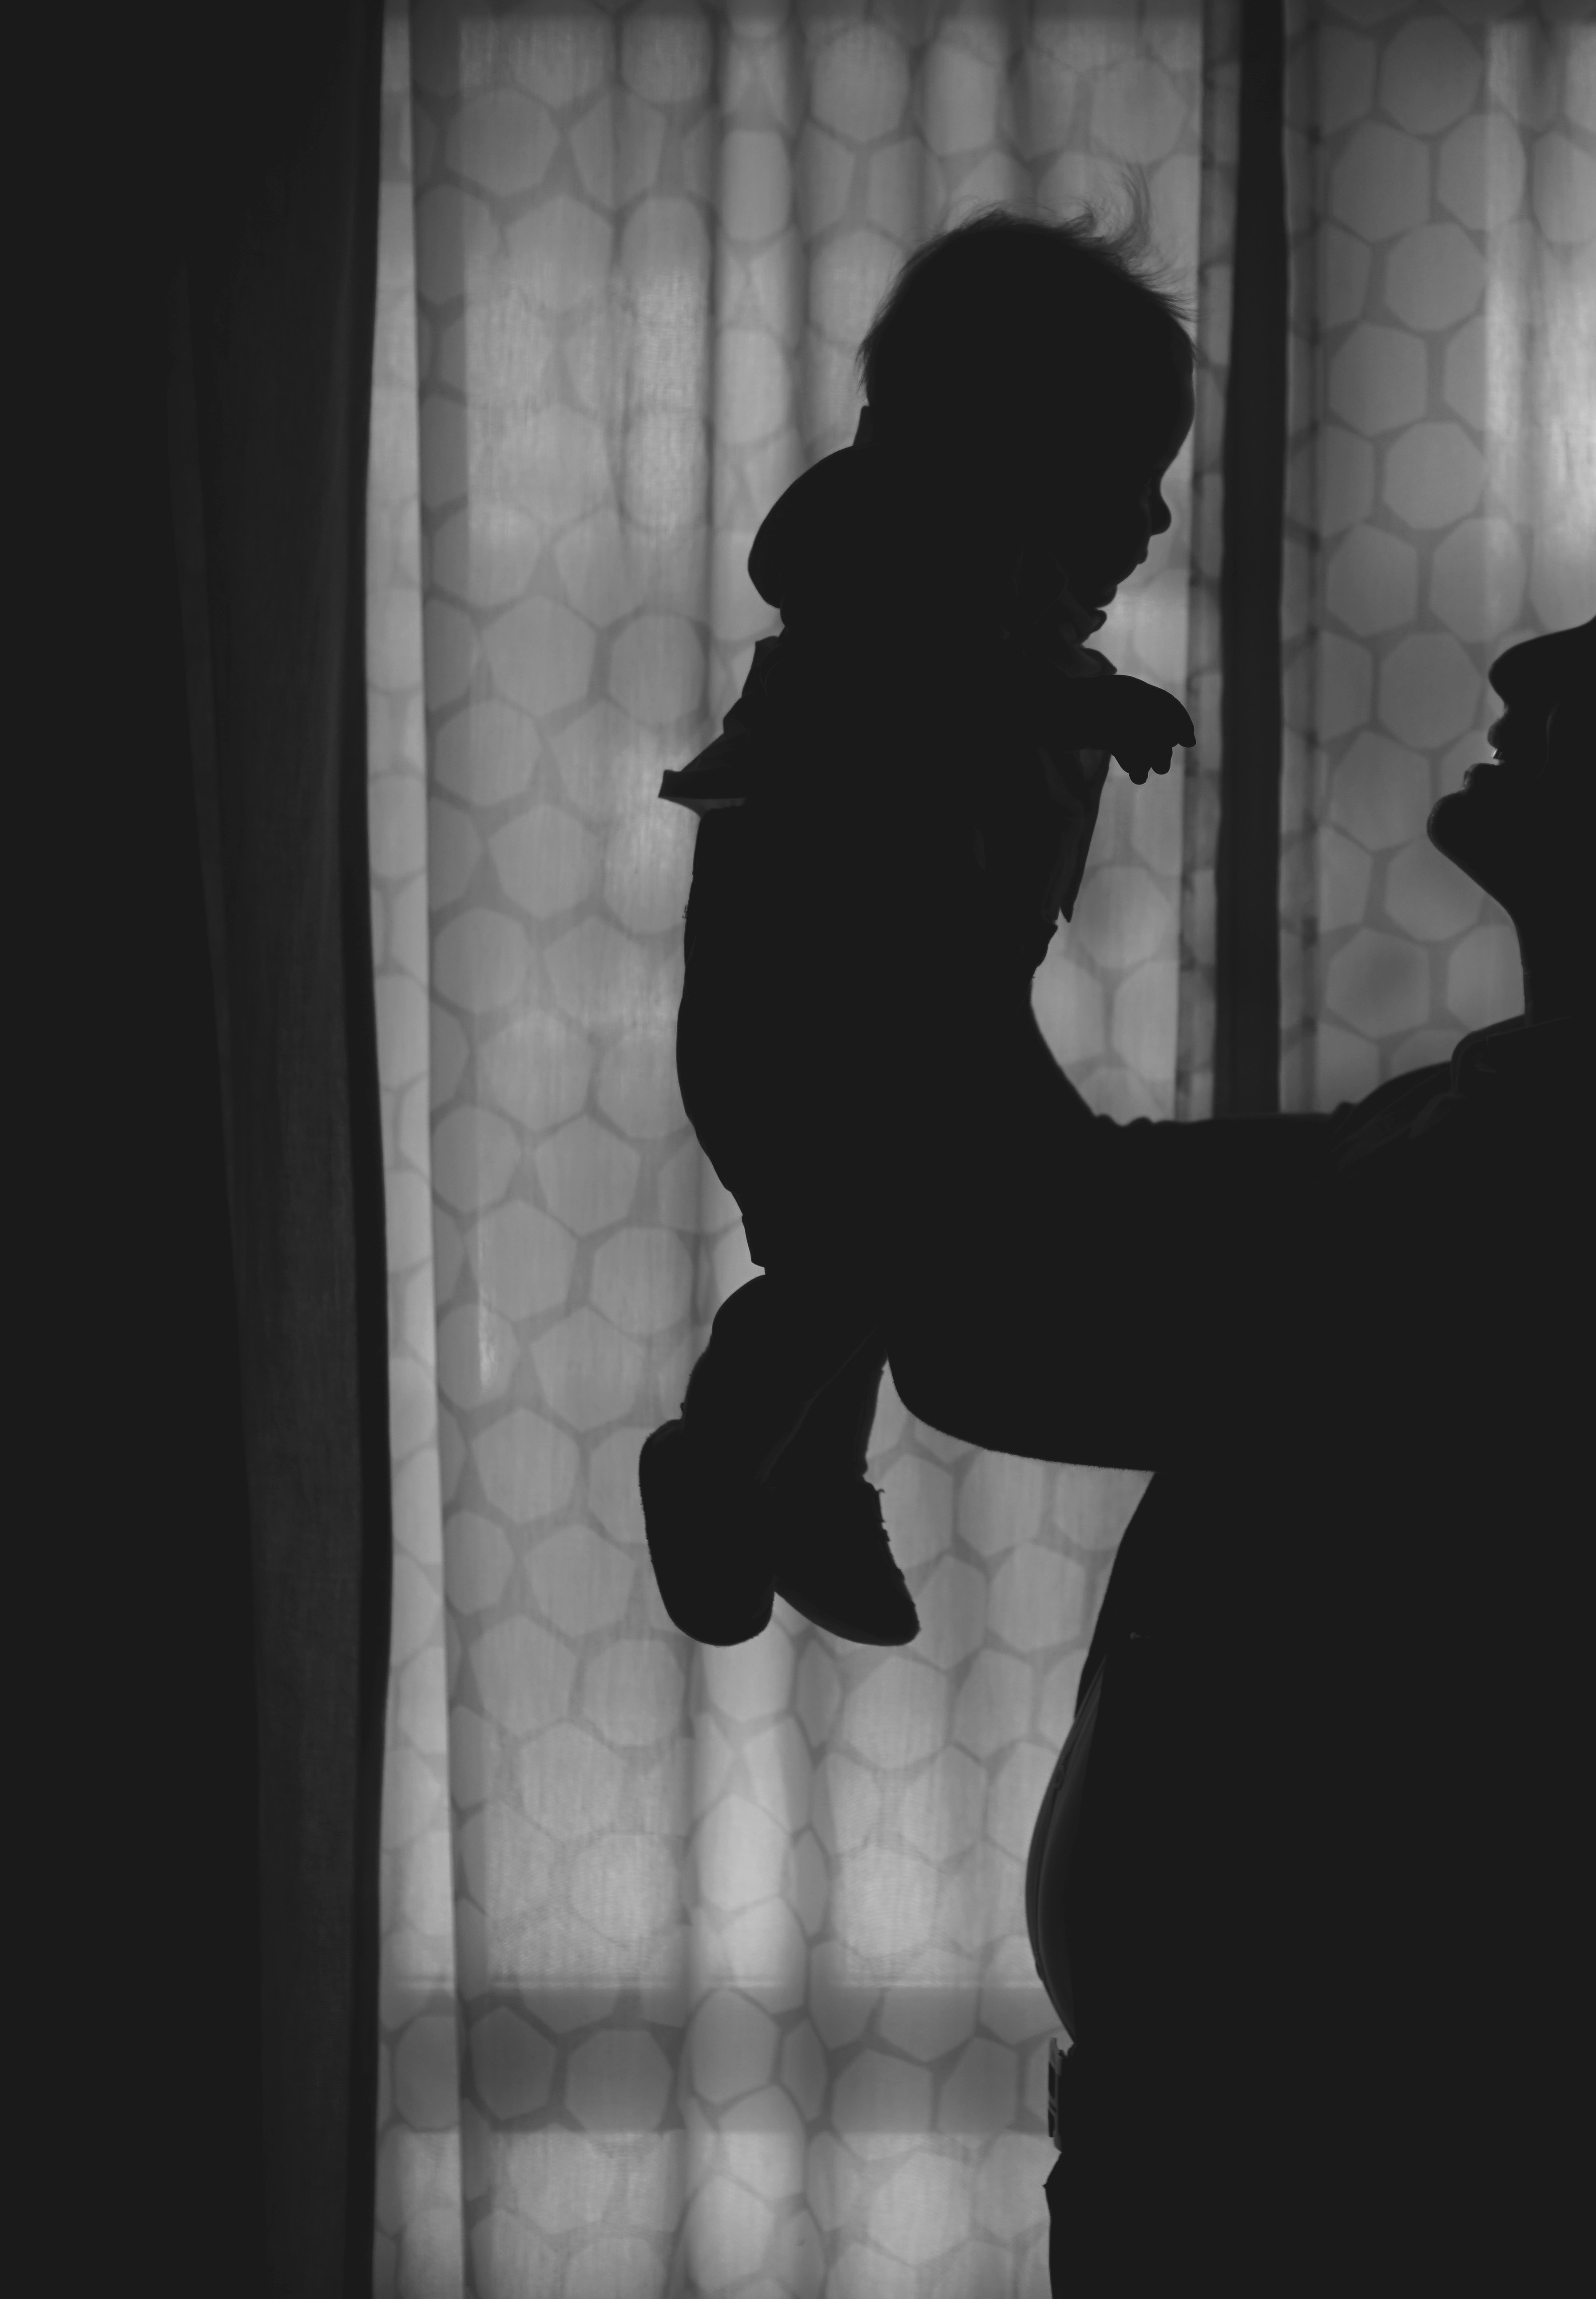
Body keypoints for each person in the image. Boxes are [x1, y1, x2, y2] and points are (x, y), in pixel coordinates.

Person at [877, 496, 1596, 2291]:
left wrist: (928, 836)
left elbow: (1016, 1296)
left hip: (1370, 2179)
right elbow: (1009, 1277)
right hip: (1278, 2147)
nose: (1526, 661)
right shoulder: (1507, 1133)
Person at [636, 201, 1200, 1648]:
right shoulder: (875, 547)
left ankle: (804, 1474)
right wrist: (1070, 700)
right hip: (816, 1019)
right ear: (1005, 447)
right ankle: (725, 1450)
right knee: (862, 1252)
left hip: (892, 1024)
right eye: (1127, 475)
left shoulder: (988, 621)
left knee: (877, 1247)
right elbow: (895, 670)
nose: (1152, 518)